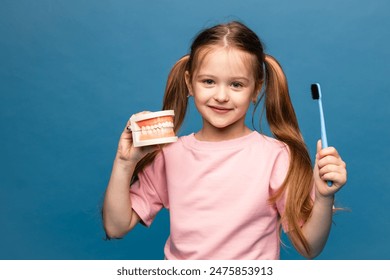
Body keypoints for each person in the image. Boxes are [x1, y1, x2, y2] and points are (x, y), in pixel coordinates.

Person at [102, 21, 347, 260]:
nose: (221, 96)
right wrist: (124, 162)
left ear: (256, 90)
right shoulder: (169, 154)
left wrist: (324, 198)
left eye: (236, 85)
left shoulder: (276, 156)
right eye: (208, 81)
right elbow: (116, 227)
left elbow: (309, 248)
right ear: (189, 83)